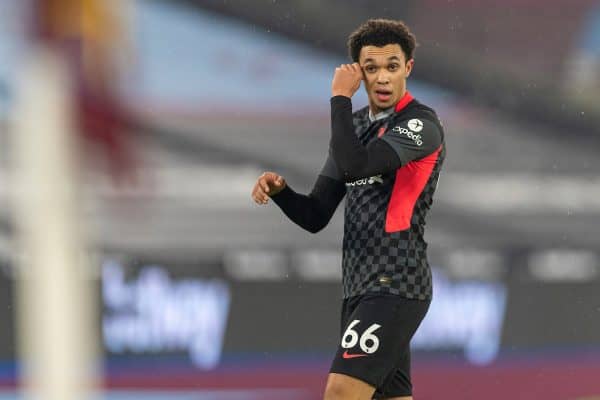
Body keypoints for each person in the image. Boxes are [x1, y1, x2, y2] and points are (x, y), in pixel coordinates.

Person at [251, 19, 445, 400]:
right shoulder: (354, 128)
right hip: (358, 286)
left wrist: (339, 97)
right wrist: (282, 192)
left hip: (396, 284)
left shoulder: (420, 124)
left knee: (341, 392)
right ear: (360, 72)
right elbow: (315, 215)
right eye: (371, 68)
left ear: (408, 68)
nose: (383, 78)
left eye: (392, 66)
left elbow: (355, 166)